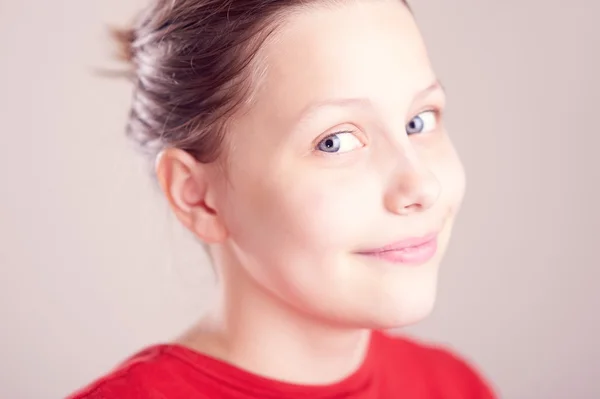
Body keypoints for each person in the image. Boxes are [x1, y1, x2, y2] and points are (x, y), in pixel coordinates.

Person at [69, 0, 496, 397]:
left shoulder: (453, 386)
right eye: (335, 141)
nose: (421, 186)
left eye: (419, 121)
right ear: (198, 198)